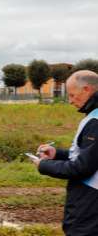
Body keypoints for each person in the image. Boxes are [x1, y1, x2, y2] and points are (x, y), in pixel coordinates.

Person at [34, 70, 98, 235]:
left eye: (72, 95)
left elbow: (81, 168)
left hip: (90, 201)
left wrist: (44, 165)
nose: (70, 101)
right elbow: (89, 155)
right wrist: (57, 154)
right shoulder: (93, 116)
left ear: (87, 89)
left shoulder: (95, 122)